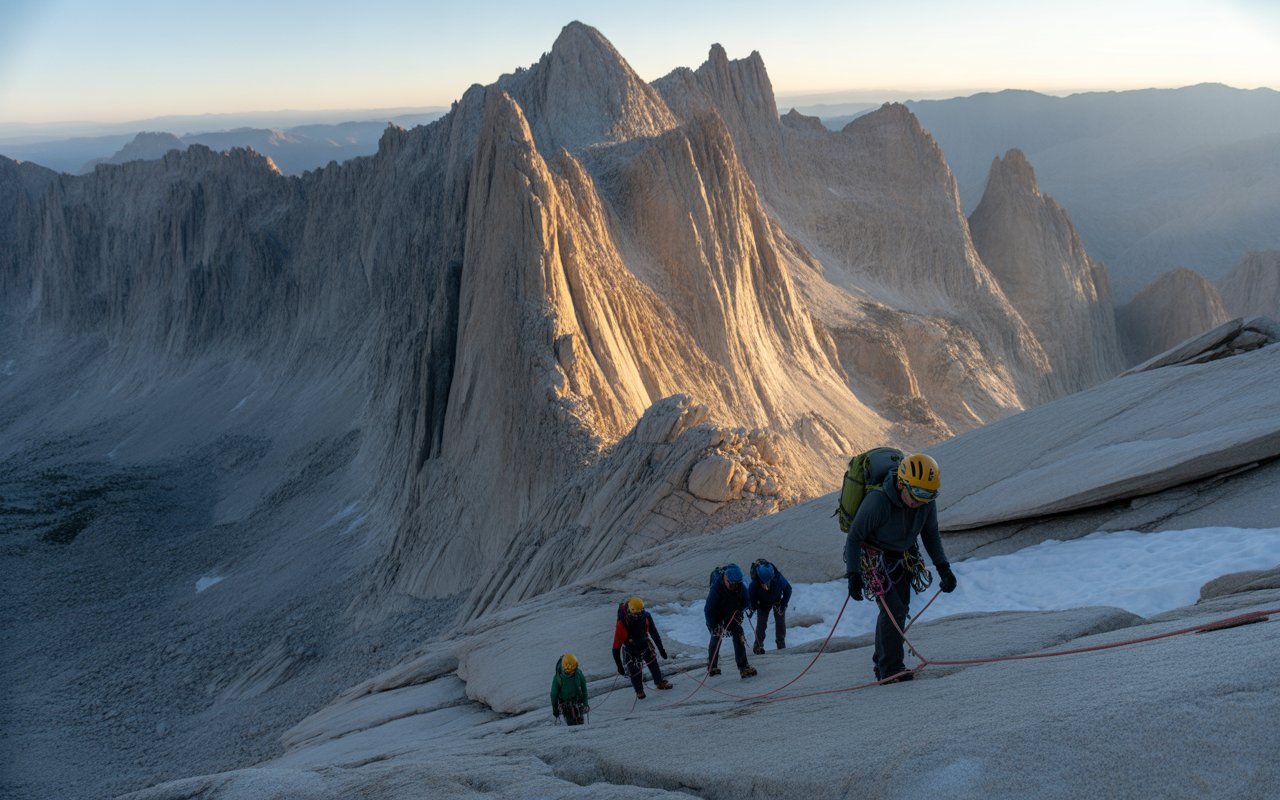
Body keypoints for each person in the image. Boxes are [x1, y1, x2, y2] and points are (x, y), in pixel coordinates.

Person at [844, 452, 957, 684]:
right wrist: (853, 574)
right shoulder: (878, 502)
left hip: (902, 557)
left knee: (899, 609)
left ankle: (883, 661)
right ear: (901, 483)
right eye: (916, 494)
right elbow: (855, 537)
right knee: (893, 610)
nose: (919, 502)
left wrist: (943, 567)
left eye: (927, 496)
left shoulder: (925, 503)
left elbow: (930, 533)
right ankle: (890, 668)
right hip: (874, 559)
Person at [612, 596, 672, 699]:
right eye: (635, 614)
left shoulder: (646, 616)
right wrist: (619, 666)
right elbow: (616, 647)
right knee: (634, 668)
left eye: (639, 613)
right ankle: (639, 690)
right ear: (630, 611)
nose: (637, 616)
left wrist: (661, 650)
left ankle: (659, 682)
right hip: (631, 647)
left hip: (644, 643)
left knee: (652, 661)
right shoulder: (622, 624)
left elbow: (654, 633)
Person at [704, 564, 757, 678]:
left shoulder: (739, 586)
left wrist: (747, 609)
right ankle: (712, 666)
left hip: (732, 615)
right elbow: (708, 610)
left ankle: (743, 667)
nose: (735, 586)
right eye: (732, 584)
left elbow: (746, 600)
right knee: (716, 637)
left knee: (739, 635)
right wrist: (713, 626)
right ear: (726, 579)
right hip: (717, 616)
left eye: (737, 583)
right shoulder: (716, 589)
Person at [747, 560, 792, 654]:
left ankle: (781, 643)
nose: (766, 586)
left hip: (777, 601)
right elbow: (751, 599)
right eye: (764, 584)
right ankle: (758, 647)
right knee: (761, 625)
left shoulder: (778, 579)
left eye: (768, 583)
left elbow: (788, 589)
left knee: (780, 623)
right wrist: (751, 608)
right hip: (762, 604)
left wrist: (783, 605)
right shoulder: (754, 585)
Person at [550, 653, 588, 725]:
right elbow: (584, 688)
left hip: (571, 703)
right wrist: (585, 703)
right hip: (571, 704)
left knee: (572, 725)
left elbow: (553, 695)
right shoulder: (578, 673)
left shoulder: (557, 679)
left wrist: (555, 712)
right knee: (579, 723)